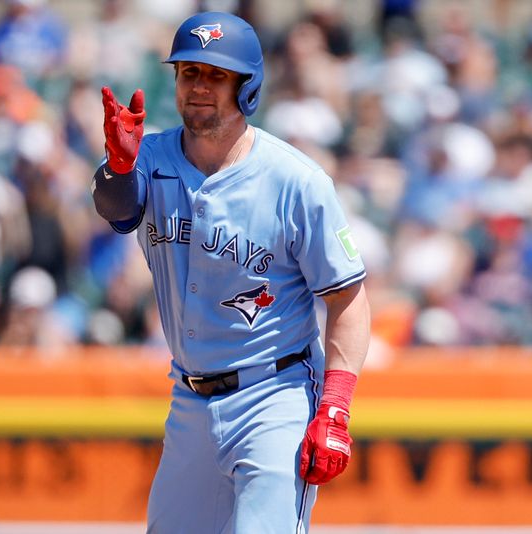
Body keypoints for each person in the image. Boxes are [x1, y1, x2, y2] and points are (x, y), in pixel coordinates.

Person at [90, 11, 371, 533]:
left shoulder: (296, 181)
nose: (199, 87)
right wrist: (118, 170)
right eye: (189, 73)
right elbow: (118, 212)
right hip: (188, 398)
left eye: (216, 75)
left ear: (247, 87)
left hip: (275, 393)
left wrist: (334, 407)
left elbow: (348, 300)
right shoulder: (150, 157)